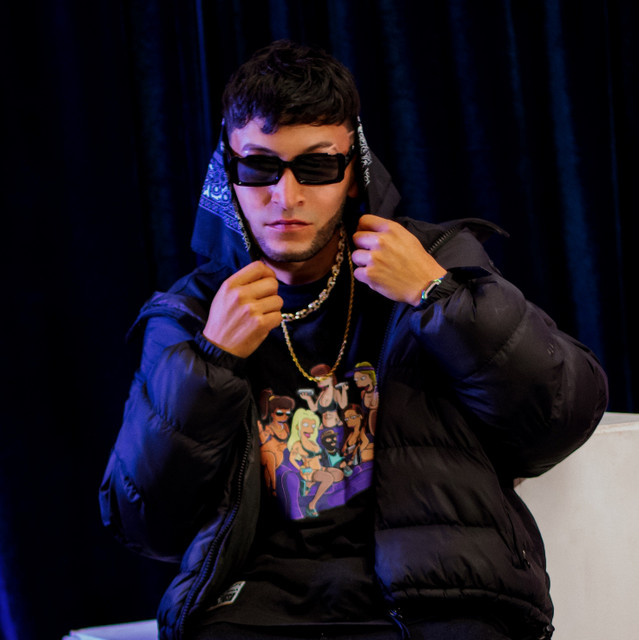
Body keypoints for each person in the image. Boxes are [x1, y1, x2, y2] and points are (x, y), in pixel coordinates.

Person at [100, 40, 608, 640]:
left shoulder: (431, 262)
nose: (286, 197)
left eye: (316, 168)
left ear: (354, 170)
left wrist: (438, 298)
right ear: (226, 172)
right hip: (255, 608)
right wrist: (211, 365)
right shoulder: (191, 313)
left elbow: (561, 417)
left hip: (436, 598)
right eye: (259, 167)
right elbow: (145, 524)